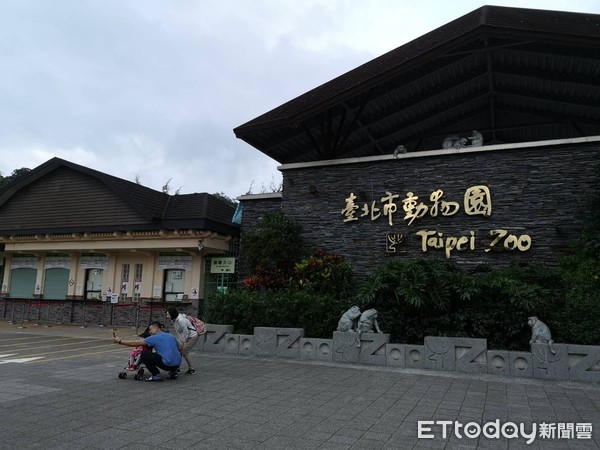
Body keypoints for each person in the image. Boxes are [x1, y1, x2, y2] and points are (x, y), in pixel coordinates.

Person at [113, 321, 182, 382]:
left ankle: (156, 375)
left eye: (150, 329)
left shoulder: (154, 338)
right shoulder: (171, 336)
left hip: (167, 365)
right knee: (174, 353)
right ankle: (173, 371)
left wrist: (120, 341)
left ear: (156, 329)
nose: (149, 332)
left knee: (144, 355)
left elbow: (136, 343)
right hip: (177, 364)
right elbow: (180, 348)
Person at [166, 307, 199, 375]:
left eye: (168, 314)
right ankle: (177, 367)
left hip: (192, 336)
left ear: (173, 314)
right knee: (178, 350)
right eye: (167, 314)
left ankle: (192, 369)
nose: (167, 316)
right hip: (185, 337)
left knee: (184, 352)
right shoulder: (173, 320)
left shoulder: (181, 320)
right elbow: (178, 332)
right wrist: (180, 341)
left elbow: (186, 332)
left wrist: (183, 342)